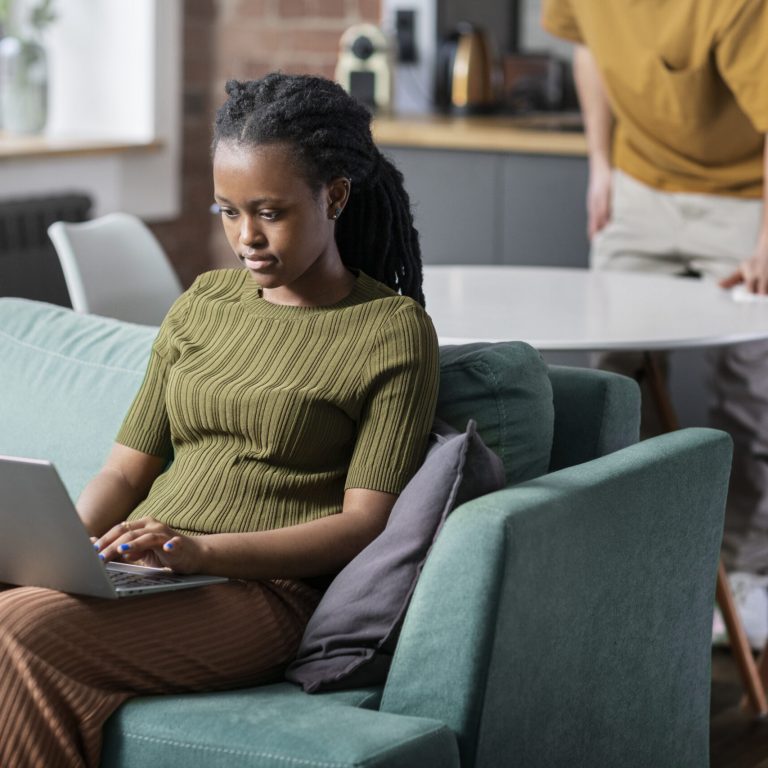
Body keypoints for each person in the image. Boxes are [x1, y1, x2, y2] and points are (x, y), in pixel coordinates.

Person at [0, 72, 440, 767]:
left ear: (334, 196)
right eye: (227, 212)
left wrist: (201, 552)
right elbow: (124, 468)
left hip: (263, 595)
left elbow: (364, 523)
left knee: (22, 629)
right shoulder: (204, 302)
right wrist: (62, 554)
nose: (246, 237)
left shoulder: (392, 330)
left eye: (269, 211)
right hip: (149, 572)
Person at [541, 0, 768, 637]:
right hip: (640, 185)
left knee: (748, 385)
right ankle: (619, 558)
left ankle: (748, 575)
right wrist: (602, 163)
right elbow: (586, 46)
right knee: (614, 383)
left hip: (745, 194)